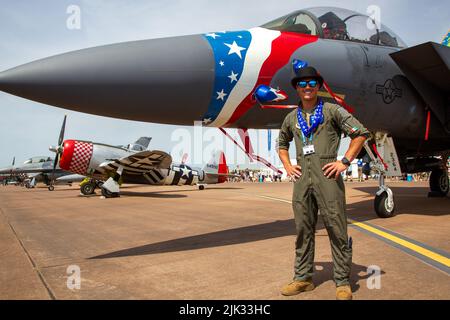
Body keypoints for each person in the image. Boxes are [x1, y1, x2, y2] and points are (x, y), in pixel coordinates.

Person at [278, 66, 369, 300]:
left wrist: (345, 161)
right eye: (302, 84)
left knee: (336, 228)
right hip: (301, 180)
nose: (307, 88)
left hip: (328, 176)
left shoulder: (332, 111)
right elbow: (282, 144)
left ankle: (342, 281)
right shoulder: (291, 118)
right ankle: (303, 278)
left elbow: (360, 133)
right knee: (303, 230)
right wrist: (288, 166)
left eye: (311, 84)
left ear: (318, 86)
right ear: (297, 89)